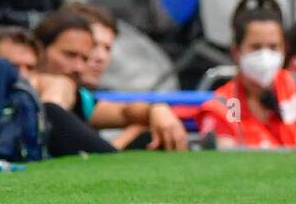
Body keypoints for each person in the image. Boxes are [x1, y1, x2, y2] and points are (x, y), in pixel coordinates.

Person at [33, 10, 187, 151]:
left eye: (85, 58)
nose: (79, 67)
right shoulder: (22, 90)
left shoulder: (80, 98)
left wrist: (156, 109)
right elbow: (52, 116)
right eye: (70, 55)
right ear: (39, 50)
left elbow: (125, 112)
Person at [197, 0, 296, 149]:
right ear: (236, 51)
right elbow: (227, 155)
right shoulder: (226, 105)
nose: (265, 56)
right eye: (256, 47)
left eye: (273, 47)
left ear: (284, 49)